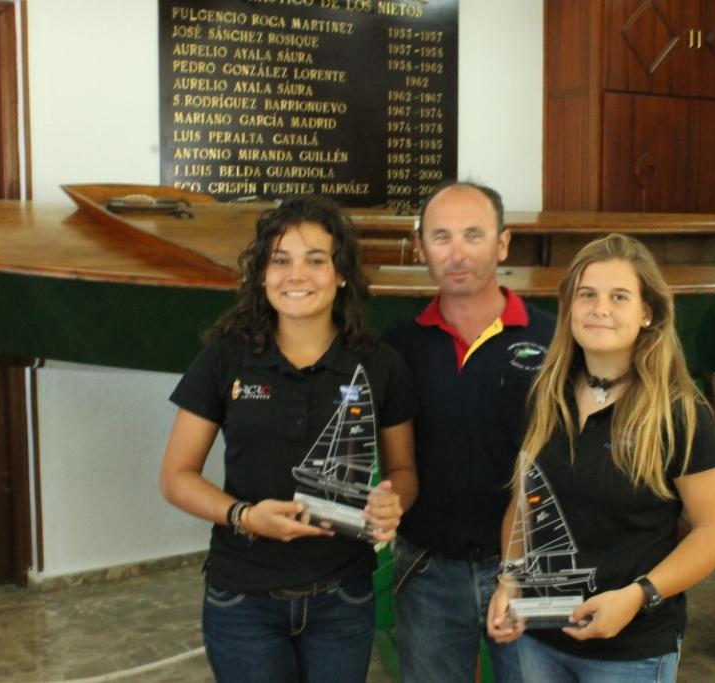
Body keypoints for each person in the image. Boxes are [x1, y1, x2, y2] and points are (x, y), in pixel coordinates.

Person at [159, 195, 418, 683]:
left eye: (315, 260)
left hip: (344, 596)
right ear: (262, 274)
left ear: (341, 273)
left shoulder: (381, 365)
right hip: (243, 598)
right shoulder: (225, 359)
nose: (296, 275)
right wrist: (245, 516)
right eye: (280, 260)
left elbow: (403, 473)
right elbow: (176, 476)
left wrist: (392, 502)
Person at [486, 233, 715, 683]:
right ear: (569, 308)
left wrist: (638, 596)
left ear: (647, 313)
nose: (600, 308)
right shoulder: (547, 396)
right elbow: (523, 503)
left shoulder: (679, 411)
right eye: (587, 295)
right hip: (537, 637)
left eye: (619, 297)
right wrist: (508, 580)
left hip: (630, 650)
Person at [381, 181, 555, 682]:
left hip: (532, 570)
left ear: (503, 243)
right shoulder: (399, 345)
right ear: (420, 247)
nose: (457, 253)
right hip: (430, 571)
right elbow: (394, 461)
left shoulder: (554, 338)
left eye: (473, 235)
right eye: (441, 237)